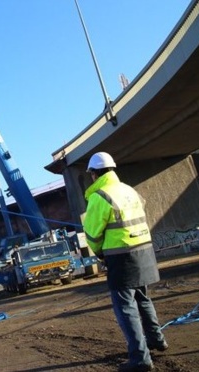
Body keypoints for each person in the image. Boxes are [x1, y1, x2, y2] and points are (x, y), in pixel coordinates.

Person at [83, 152, 167, 372]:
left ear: (94, 174)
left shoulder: (99, 196)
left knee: (125, 307)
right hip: (144, 251)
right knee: (143, 298)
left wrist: (100, 253)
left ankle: (140, 358)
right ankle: (157, 340)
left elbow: (92, 235)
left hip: (121, 257)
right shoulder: (129, 190)